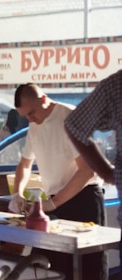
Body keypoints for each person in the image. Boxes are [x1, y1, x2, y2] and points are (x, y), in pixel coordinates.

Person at [8, 83, 106, 280]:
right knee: (53, 267)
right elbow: (25, 165)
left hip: (84, 198)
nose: (30, 119)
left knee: (88, 267)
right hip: (57, 200)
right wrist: (17, 193)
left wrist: (53, 203)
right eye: (25, 115)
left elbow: (86, 170)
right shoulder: (34, 126)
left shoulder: (71, 118)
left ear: (44, 100)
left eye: (32, 113)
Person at [64, 70, 122, 279]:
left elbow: (74, 125)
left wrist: (106, 172)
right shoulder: (116, 86)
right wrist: (106, 171)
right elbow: (75, 125)